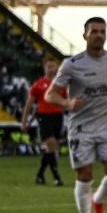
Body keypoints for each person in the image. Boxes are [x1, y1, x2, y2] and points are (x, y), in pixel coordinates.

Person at [46, 17, 107, 213]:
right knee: (84, 174)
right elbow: (50, 95)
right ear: (85, 35)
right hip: (81, 127)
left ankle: (98, 200)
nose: (99, 35)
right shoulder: (72, 64)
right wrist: (67, 103)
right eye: (94, 32)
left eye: (102, 31)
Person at [20, 58, 66, 186]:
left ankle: (40, 175)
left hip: (58, 116)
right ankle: (57, 177)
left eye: (53, 66)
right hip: (44, 116)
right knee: (51, 144)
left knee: (52, 148)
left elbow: (66, 100)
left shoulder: (61, 84)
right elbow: (29, 103)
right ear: (44, 69)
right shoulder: (39, 84)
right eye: (49, 67)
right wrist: (24, 121)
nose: (51, 69)